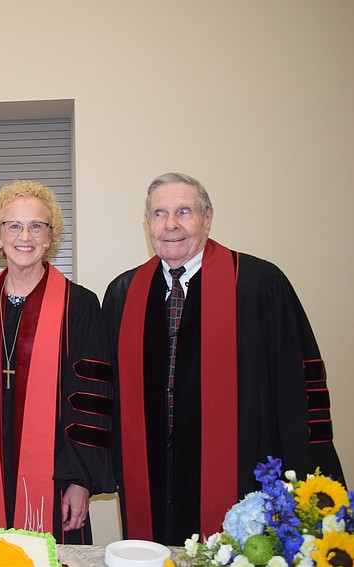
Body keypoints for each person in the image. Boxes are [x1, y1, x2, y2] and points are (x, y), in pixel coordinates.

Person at [103, 172, 344, 545]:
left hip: (241, 474)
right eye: (159, 214)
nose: (170, 225)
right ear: (147, 222)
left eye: (184, 211)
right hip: (150, 477)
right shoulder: (123, 292)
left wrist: (306, 469)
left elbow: (299, 385)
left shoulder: (259, 284)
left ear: (208, 217)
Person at [0, 180, 116, 544]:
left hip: (56, 477)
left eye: (37, 225)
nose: (25, 235)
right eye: (13, 225)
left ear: (50, 237)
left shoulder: (78, 306)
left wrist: (80, 480)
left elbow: (91, 401)